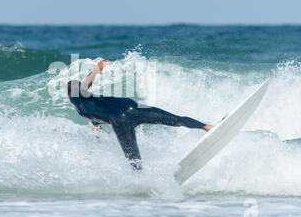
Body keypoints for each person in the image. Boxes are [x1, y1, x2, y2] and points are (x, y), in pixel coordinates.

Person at [67, 59, 212, 171]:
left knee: (134, 161)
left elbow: (85, 85)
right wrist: (97, 135)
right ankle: (206, 126)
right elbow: (97, 122)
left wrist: (96, 70)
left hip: (120, 120)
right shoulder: (89, 103)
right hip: (132, 107)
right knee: (175, 119)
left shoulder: (77, 98)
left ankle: (141, 182)